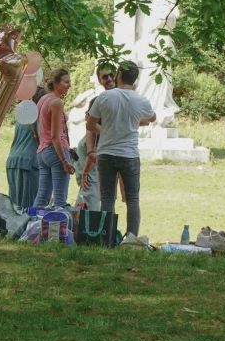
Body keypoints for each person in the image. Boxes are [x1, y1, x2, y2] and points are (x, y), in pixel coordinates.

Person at [87, 60, 156, 236]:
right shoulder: (140, 100)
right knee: (132, 199)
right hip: (129, 154)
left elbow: (90, 125)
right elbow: (152, 118)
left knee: (107, 199)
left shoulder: (104, 97)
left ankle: (106, 236)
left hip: (106, 153)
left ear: (119, 74)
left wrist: (108, 129)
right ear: (135, 79)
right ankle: (131, 238)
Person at [75, 65, 117, 210]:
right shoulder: (97, 101)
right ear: (99, 80)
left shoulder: (125, 98)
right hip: (102, 159)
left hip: (118, 157)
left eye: (112, 75)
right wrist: (87, 168)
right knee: (106, 203)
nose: (109, 79)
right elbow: (92, 140)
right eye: (105, 77)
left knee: (107, 202)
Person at [33, 69, 75, 208]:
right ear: (56, 83)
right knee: (60, 200)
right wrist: (65, 161)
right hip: (56, 151)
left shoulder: (42, 100)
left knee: (42, 196)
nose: (69, 85)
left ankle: (32, 221)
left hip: (42, 151)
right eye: (66, 82)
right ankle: (59, 222)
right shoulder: (56, 102)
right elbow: (55, 136)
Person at [6, 88, 44, 209]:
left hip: (13, 160)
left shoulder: (22, 117)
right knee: (30, 207)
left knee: (15, 207)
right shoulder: (40, 118)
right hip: (29, 163)